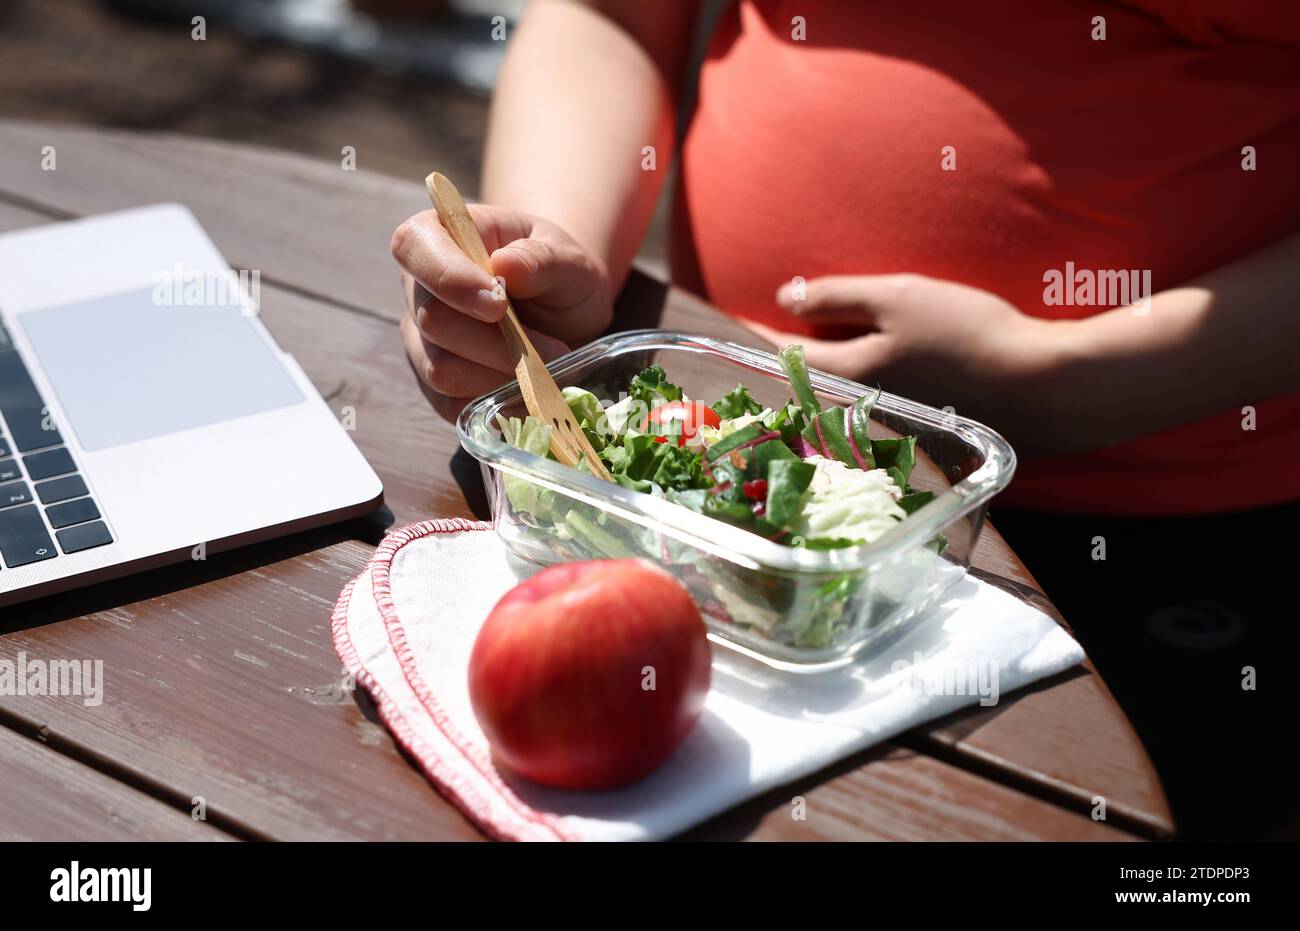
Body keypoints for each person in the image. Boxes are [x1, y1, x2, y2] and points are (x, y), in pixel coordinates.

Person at [390, 1, 1300, 837]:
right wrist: (555, 267)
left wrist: (1067, 384)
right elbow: (610, 14)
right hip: (700, 477)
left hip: (1175, 523)